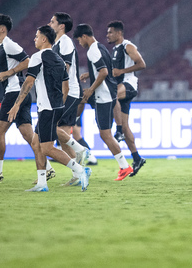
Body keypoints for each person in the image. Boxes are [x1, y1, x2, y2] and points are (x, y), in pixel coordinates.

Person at [7, 26, 90, 192]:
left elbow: (29, 82)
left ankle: (80, 170)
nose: (34, 39)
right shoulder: (59, 59)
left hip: (47, 108)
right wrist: (59, 103)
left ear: (44, 39)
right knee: (36, 143)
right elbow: (65, 87)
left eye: (37, 36)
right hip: (55, 107)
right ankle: (42, 183)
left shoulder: (38, 57)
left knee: (47, 148)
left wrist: (16, 104)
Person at [0, 14, 37, 184]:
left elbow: (28, 61)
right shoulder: (1, 47)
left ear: (2, 29)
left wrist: (9, 73)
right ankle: (47, 168)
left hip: (14, 93)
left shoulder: (8, 44)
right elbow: (9, 71)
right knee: (28, 135)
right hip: (19, 93)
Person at [73, 24, 133, 181]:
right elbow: (106, 68)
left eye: (79, 39)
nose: (79, 43)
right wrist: (90, 74)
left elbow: (104, 72)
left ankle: (125, 166)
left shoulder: (93, 50)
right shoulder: (100, 47)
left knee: (105, 134)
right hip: (106, 93)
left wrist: (91, 88)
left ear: (85, 36)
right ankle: (70, 124)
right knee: (81, 99)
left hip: (103, 96)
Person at [48, 12, 91, 186]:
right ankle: (78, 173)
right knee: (63, 137)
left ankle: (81, 150)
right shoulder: (56, 43)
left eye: (52, 22)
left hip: (70, 92)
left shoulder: (65, 42)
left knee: (52, 126)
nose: (49, 24)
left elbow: (65, 67)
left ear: (61, 26)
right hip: (65, 91)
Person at [106, 20, 147, 176]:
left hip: (128, 84)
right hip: (121, 86)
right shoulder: (115, 50)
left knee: (112, 95)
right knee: (126, 125)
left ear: (119, 33)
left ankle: (118, 131)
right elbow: (111, 71)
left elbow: (142, 64)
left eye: (110, 32)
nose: (107, 35)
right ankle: (137, 158)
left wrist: (122, 71)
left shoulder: (128, 46)